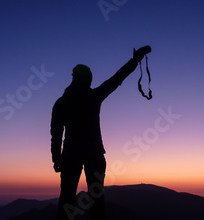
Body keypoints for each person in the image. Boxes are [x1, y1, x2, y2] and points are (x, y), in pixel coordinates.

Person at [50, 46, 152, 220]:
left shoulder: (61, 103)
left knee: (66, 199)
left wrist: (56, 158)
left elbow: (56, 133)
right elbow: (117, 79)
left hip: (70, 156)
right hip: (94, 154)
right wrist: (135, 60)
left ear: (74, 79)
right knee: (96, 199)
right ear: (88, 79)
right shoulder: (94, 96)